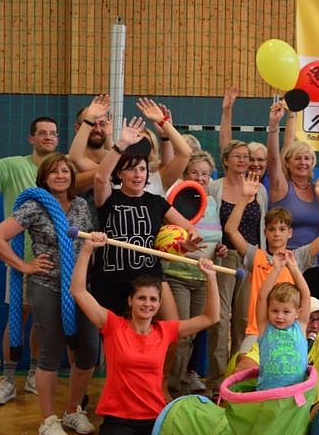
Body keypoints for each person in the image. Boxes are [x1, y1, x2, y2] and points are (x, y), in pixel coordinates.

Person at [70, 232, 220, 435]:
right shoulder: (113, 326)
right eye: (141, 298)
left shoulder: (165, 331)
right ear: (130, 301)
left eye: (153, 299)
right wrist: (87, 249)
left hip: (154, 418)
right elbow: (78, 291)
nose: (147, 304)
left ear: (159, 304)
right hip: (119, 420)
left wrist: (211, 277)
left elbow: (210, 317)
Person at [0, 111, 95, 405]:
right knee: (20, 317)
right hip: (29, 264)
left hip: (70, 276)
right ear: (32, 138)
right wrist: (24, 265)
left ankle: (45, 382)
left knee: (59, 329)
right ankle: (8, 378)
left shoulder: (79, 204)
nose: (49, 137)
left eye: (53, 133)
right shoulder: (18, 172)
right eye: (43, 133)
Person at [0, 153, 101, 435]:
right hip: (46, 286)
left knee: (89, 350)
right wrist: (25, 266)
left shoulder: (80, 205)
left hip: (79, 289)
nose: (60, 175)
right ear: (44, 177)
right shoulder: (34, 207)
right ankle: (47, 419)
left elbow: (85, 243)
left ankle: (73, 410)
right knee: (50, 353)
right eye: (54, 172)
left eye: (65, 171)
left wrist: (94, 244)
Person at [91, 117, 198, 319]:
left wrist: (185, 244)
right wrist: (121, 144)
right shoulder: (109, 198)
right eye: (131, 169)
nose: (138, 174)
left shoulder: (156, 202)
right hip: (111, 280)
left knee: (172, 328)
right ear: (120, 174)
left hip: (150, 278)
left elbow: (190, 229)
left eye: (142, 169)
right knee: (115, 335)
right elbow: (100, 177)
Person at [224, 174, 319, 359]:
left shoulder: (296, 257)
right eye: (272, 229)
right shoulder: (256, 255)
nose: (276, 234)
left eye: (282, 229)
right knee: (243, 362)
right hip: (258, 330)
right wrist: (244, 197)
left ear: (290, 233)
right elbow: (231, 230)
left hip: (287, 331)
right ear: (265, 232)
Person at [263, 98, 319, 331]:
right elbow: (273, 160)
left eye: (307, 158)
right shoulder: (281, 187)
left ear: (313, 163)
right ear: (288, 163)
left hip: (310, 263)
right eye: (297, 158)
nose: (302, 162)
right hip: (283, 263)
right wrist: (274, 126)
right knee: (289, 322)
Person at [163, 152, 227, 396]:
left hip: (202, 278)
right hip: (178, 275)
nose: (200, 178)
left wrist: (219, 249)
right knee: (180, 335)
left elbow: (214, 237)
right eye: (195, 172)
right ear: (185, 174)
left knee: (193, 335)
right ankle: (170, 388)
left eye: (205, 173)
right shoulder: (177, 199)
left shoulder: (212, 203)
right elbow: (168, 236)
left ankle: (181, 381)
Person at [208, 137, 267, 387]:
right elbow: (209, 223)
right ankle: (215, 380)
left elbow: (261, 228)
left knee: (244, 320)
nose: (243, 160)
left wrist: (261, 259)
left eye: (246, 156)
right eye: (238, 156)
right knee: (220, 319)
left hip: (251, 258)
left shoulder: (259, 189)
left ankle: (236, 378)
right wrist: (214, 249)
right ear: (225, 161)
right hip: (223, 257)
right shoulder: (215, 188)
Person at [253, 250, 311, 390]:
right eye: (274, 311)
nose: (279, 316)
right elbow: (262, 297)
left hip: (296, 393)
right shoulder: (265, 327)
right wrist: (277, 268)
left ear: (297, 313)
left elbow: (306, 295)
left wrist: (293, 268)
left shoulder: (300, 326)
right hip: (267, 392)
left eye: (286, 312)